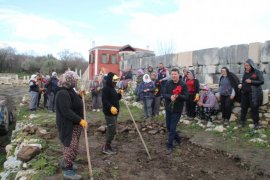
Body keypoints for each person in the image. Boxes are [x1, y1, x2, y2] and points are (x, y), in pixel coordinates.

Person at [55, 70, 87, 179]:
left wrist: (79, 95)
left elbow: (73, 100)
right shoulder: (62, 93)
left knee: (74, 145)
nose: (76, 82)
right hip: (68, 124)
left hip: (75, 124)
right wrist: (80, 120)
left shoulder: (69, 90)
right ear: (70, 80)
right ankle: (68, 170)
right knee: (70, 146)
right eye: (75, 80)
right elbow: (66, 111)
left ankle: (68, 163)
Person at [163, 68, 188, 154]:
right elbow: (164, 94)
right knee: (168, 126)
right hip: (168, 108)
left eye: (175, 74)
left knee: (172, 127)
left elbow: (186, 97)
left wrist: (178, 96)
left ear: (178, 75)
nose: (173, 76)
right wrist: (170, 97)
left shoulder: (183, 84)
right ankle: (178, 139)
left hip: (177, 109)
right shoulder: (168, 83)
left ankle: (170, 145)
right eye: (172, 74)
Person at [238, 59, 264, 129]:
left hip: (253, 93)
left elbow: (262, 81)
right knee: (243, 108)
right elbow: (243, 82)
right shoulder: (245, 73)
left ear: (251, 65)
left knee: (254, 108)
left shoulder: (257, 72)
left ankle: (256, 123)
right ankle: (242, 121)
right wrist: (240, 85)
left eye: (247, 65)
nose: (246, 67)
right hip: (244, 93)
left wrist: (251, 81)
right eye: (245, 65)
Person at [102, 72, 122, 155]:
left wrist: (119, 94)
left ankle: (108, 145)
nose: (115, 82)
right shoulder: (106, 88)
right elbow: (104, 100)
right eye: (114, 81)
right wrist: (110, 107)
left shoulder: (112, 88)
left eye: (116, 81)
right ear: (110, 80)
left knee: (112, 130)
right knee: (112, 131)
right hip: (109, 113)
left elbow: (115, 98)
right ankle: (106, 147)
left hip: (115, 113)